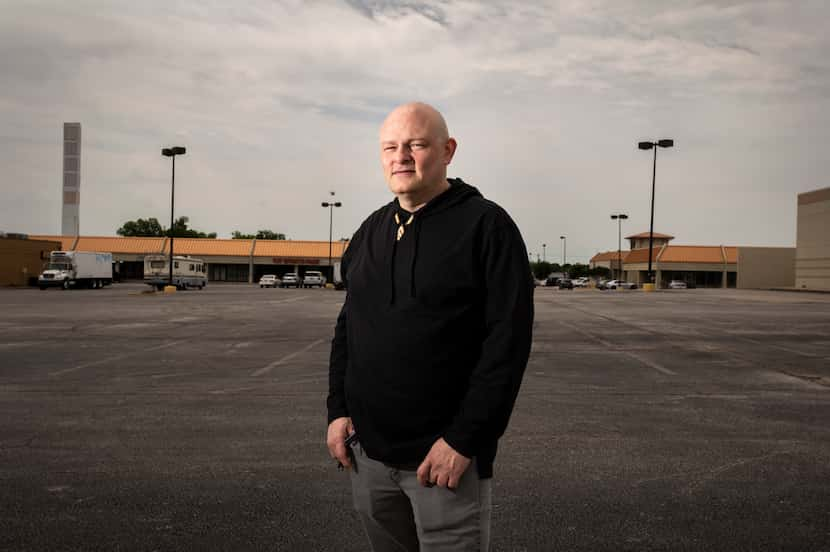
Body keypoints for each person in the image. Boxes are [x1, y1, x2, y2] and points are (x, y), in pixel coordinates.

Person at [327, 102, 534, 551]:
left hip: (442, 462)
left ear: (447, 150)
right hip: (369, 459)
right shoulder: (369, 232)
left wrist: (464, 440)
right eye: (390, 147)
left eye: (416, 144)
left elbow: (507, 345)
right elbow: (349, 327)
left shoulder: (486, 227)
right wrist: (338, 411)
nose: (401, 156)